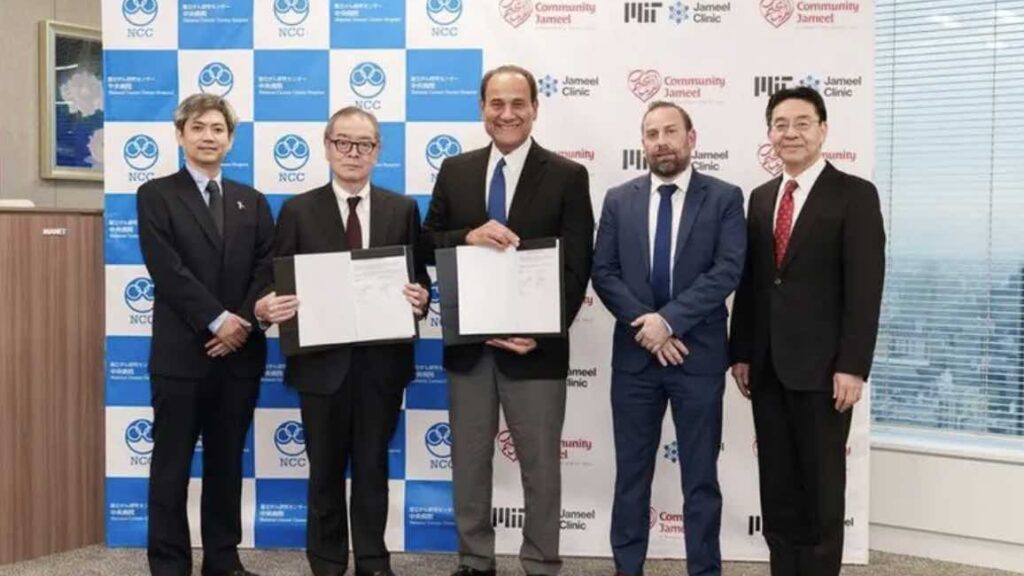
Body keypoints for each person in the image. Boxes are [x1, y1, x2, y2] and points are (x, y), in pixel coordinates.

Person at [419, 64, 594, 576]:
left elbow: (577, 265)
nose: (507, 113)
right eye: (496, 103)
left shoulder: (567, 175)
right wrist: (467, 236)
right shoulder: (456, 170)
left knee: (541, 468)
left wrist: (540, 332)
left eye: (518, 103)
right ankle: (475, 561)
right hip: (469, 348)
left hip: (535, 350)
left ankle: (540, 562)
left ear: (535, 108)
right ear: (482, 109)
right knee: (469, 463)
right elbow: (426, 243)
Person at [255, 107, 430, 576]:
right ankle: (327, 561)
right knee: (325, 472)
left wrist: (421, 297)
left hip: (382, 366)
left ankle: (373, 560)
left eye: (364, 144)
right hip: (320, 365)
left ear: (378, 151)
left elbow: (418, 280)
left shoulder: (402, 209)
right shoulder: (297, 210)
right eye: (344, 143)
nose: (354, 153)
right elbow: (274, 278)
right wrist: (269, 304)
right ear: (327, 146)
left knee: (373, 468)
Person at [729, 86, 885, 576]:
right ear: (769, 133)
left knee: (820, 494)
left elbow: (865, 288)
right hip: (767, 368)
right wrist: (742, 352)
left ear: (823, 130)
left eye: (802, 123)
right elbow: (753, 284)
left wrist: (853, 366)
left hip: (824, 372)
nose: (790, 133)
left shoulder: (855, 195)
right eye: (780, 124)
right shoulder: (760, 198)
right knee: (778, 491)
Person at [592, 101, 746, 576]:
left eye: (670, 132)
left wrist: (670, 322)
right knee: (631, 477)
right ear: (643, 143)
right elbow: (604, 272)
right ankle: (627, 568)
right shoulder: (619, 199)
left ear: (690, 138)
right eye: (652, 134)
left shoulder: (724, 198)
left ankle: (704, 570)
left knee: (700, 480)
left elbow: (727, 270)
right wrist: (651, 328)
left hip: (697, 359)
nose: (661, 142)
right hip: (635, 361)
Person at [137, 93, 274, 576]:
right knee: (170, 466)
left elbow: (266, 269)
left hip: (239, 356)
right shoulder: (155, 195)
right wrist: (218, 321)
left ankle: (223, 559)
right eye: (197, 128)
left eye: (217, 128)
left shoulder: (251, 200)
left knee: (226, 463)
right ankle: (169, 564)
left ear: (230, 139)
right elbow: (166, 269)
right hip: (181, 355)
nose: (208, 136)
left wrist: (241, 323)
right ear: (180, 136)